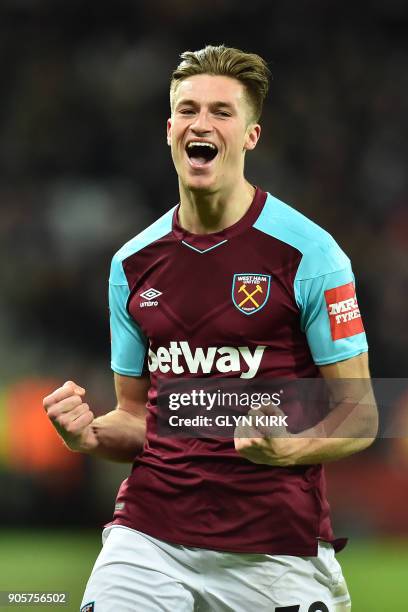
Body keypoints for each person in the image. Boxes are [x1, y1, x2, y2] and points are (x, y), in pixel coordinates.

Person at [43, 45, 378, 611]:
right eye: (189, 109)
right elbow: (136, 416)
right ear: (170, 128)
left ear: (251, 135)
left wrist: (289, 447)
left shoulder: (312, 255)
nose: (203, 123)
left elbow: (363, 412)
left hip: (271, 549)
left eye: (222, 112)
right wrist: (90, 436)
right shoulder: (132, 263)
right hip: (148, 538)